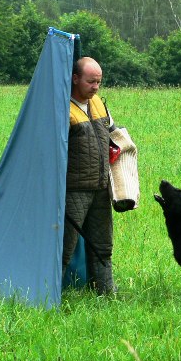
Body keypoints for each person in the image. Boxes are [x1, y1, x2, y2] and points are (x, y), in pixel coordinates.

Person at [63, 56, 116, 295]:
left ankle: (106, 293)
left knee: (102, 246)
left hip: (101, 187)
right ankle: (51, 296)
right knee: (65, 248)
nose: (95, 87)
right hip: (74, 190)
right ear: (75, 79)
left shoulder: (98, 104)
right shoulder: (63, 109)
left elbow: (114, 133)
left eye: (99, 82)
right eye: (91, 81)